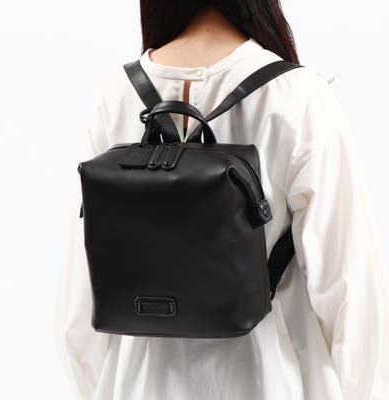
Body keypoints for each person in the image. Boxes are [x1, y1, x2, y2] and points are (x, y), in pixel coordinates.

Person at [55, 2, 389, 399]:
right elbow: (349, 285)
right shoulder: (296, 94)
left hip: (140, 385)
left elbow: (79, 305)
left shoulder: (117, 93)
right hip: (268, 381)